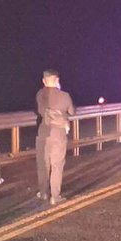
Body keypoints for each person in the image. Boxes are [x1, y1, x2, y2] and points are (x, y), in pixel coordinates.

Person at [35, 69, 75, 205]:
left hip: (43, 133)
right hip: (59, 133)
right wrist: (63, 118)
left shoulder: (40, 94)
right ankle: (55, 196)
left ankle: (43, 193)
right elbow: (71, 111)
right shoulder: (65, 95)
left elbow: (41, 110)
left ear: (44, 81)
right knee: (57, 165)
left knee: (43, 165)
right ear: (57, 80)